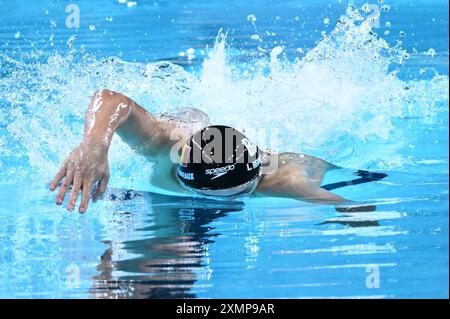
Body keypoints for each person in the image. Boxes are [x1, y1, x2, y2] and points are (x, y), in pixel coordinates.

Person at [49, 89, 368, 214]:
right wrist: (94, 145)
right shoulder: (170, 144)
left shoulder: (289, 182)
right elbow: (109, 98)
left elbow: (356, 209)